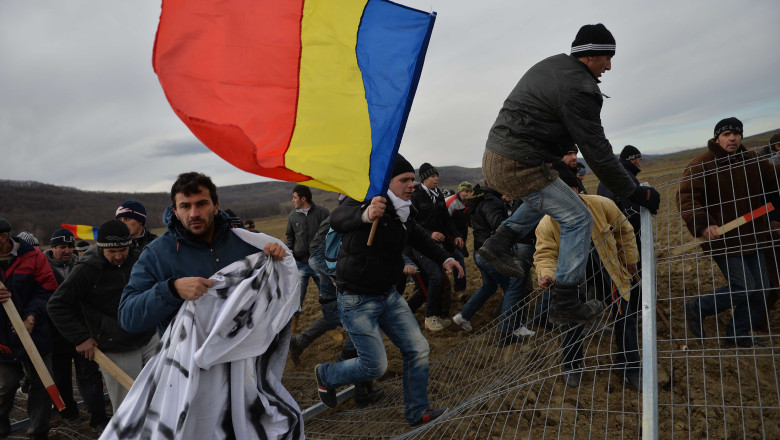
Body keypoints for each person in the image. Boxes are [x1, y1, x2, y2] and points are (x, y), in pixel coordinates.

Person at [478, 23, 660, 324]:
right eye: (607, 58)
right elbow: (597, 152)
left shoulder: (552, 66)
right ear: (591, 55)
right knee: (579, 218)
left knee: (554, 196)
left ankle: (498, 243)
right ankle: (564, 300)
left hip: (500, 157)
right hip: (518, 164)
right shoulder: (580, 88)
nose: (609, 66)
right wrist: (634, 192)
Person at [314, 154, 463, 427]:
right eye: (404, 180)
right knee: (375, 366)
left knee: (418, 349)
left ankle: (418, 411)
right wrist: (366, 214)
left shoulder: (405, 211)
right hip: (356, 299)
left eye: (412, 179)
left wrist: (445, 258)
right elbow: (338, 218)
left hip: (389, 295)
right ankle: (327, 375)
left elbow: (419, 237)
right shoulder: (367, 200)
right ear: (387, 182)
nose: (411, 185)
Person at [119, 171, 286, 336]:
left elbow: (280, 287)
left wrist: (276, 257)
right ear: (175, 211)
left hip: (249, 348)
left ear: (215, 207)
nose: (194, 214)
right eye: (185, 206)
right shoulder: (156, 254)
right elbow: (128, 316)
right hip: (193, 353)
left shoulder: (246, 241)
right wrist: (171, 291)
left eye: (201, 204)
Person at [535, 171, 640, 390]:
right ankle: (572, 366)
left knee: (625, 317)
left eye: (569, 192)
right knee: (572, 320)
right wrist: (547, 273)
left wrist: (630, 260)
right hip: (572, 280)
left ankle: (630, 368)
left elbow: (624, 231)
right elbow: (545, 254)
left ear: (577, 190)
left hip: (608, 270)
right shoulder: (547, 222)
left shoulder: (601, 204)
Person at [679, 117, 778, 348]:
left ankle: (737, 335)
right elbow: (687, 197)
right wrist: (703, 224)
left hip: (753, 236)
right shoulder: (702, 163)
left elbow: (775, 177)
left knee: (761, 288)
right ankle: (696, 308)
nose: (732, 138)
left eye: (736, 133)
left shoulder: (752, 160)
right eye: (726, 134)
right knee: (743, 286)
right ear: (717, 138)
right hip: (724, 238)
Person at [47, 220, 158, 411]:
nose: (118, 256)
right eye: (111, 251)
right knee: (128, 405)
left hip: (149, 336)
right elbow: (56, 305)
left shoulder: (139, 259)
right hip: (116, 344)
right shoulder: (87, 268)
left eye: (122, 250)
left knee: (161, 392)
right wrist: (80, 337)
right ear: (101, 248)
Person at [452, 183, 535, 345]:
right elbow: (498, 224)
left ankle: (463, 316)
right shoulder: (491, 202)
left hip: (480, 252)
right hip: (490, 253)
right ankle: (512, 328)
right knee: (513, 288)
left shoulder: (481, 199)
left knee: (489, 286)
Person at [44, 228, 109, 431]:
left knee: (90, 374)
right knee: (61, 376)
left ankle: (98, 416)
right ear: (53, 248)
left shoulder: (81, 266)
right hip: (56, 333)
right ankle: (69, 413)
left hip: (83, 331)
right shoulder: (43, 269)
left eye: (70, 246)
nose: (67, 251)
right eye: (62, 247)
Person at [0, 218, 58, 440]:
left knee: (42, 385)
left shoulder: (33, 256)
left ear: (3, 238)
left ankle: (38, 433)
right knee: (5, 385)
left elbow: (48, 290)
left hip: (36, 335)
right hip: (2, 339)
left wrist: (31, 317)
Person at [408, 163, 463, 331]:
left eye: (437, 175)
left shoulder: (438, 194)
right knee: (435, 277)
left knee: (433, 282)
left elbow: (446, 219)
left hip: (436, 245)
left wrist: (456, 235)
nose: (436, 178)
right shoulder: (415, 196)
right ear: (424, 179)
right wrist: (429, 233)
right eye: (433, 176)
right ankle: (431, 316)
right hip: (418, 244)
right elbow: (411, 222)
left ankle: (434, 314)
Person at [285, 185, 330, 319]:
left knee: (328, 296)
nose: (292, 200)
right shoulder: (293, 216)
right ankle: (294, 323)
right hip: (300, 264)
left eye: (295, 197)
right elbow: (290, 237)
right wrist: (289, 251)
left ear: (303, 199)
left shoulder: (323, 213)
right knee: (297, 298)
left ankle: (331, 321)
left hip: (319, 263)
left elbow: (330, 235)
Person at [598, 145, 643, 237]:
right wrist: (641, 233)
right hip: (625, 233)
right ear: (632, 160)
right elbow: (632, 211)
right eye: (639, 160)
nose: (640, 164)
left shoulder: (606, 176)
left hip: (607, 230)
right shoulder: (628, 178)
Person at [445, 181, 473, 292]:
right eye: (466, 191)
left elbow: (468, 219)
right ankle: (460, 288)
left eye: (470, 191)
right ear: (460, 191)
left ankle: (458, 286)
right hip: (450, 237)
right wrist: (451, 237)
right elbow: (444, 221)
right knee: (458, 259)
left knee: (458, 259)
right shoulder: (451, 202)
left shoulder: (469, 202)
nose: (468, 194)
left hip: (462, 236)